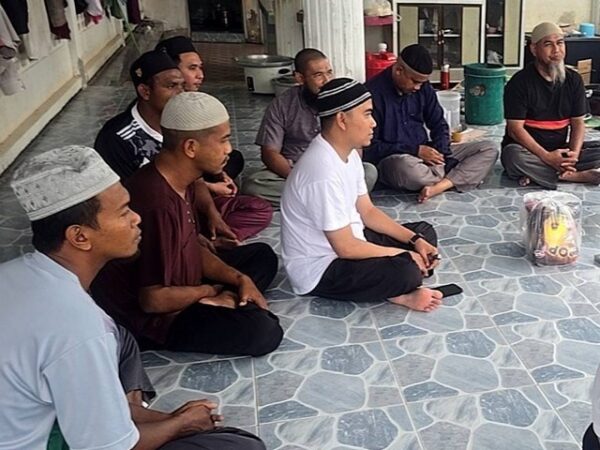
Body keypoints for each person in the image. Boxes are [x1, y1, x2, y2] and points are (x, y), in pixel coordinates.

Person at [0, 145, 266, 450]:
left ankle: (124, 412)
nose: (137, 218)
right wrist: (180, 425)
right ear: (80, 236)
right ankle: (123, 418)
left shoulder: (13, 272)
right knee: (240, 446)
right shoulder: (79, 326)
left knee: (121, 337)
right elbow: (107, 448)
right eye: (124, 211)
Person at [91, 92, 283, 356]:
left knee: (262, 257)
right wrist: (210, 290)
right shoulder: (156, 201)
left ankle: (225, 300)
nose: (229, 149)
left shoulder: (185, 178)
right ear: (191, 147)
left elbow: (192, 246)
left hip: (184, 283)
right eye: (223, 140)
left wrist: (240, 279)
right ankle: (219, 301)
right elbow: (152, 300)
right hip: (157, 317)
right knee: (263, 331)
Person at [281, 78, 444, 312]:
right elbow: (346, 248)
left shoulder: (349, 154)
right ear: (342, 120)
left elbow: (367, 211)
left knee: (424, 232)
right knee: (405, 269)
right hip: (322, 267)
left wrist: (415, 241)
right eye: (367, 114)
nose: (374, 123)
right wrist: (405, 255)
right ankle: (398, 293)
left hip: (353, 240)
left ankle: (400, 281)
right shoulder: (321, 171)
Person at [95, 49, 272, 243]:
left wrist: (212, 213)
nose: (180, 94)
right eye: (171, 86)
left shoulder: (180, 118)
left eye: (182, 85)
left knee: (256, 205)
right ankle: (200, 246)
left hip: (188, 201)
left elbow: (193, 173)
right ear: (145, 91)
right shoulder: (116, 138)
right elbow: (133, 202)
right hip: (154, 221)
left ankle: (213, 240)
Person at [242, 48, 379, 207]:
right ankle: (330, 199)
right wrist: (297, 178)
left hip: (334, 169)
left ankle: (308, 199)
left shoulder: (342, 100)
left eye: (329, 73)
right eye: (318, 75)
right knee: (253, 186)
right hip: (294, 170)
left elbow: (355, 147)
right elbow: (269, 152)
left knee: (369, 172)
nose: (327, 80)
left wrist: (340, 171)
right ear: (300, 78)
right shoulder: (282, 104)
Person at [365, 44, 498, 202]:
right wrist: (415, 150)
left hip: (428, 155)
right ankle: (457, 176)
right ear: (399, 70)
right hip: (398, 159)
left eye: (422, 83)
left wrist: (442, 153)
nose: (418, 87)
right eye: (415, 81)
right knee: (405, 169)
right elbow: (369, 148)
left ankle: (439, 185)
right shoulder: (372, 94)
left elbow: (438, 124)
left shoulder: (423, 88)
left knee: (489, 148)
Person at [502, 21, 600, 188]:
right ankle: (570, 176)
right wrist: (547, 157)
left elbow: (578, 124)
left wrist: (573, 156)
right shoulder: (519, 83)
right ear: (534, 49)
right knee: (513, 157)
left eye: (560, 43)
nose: (556, 50)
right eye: (548, 44)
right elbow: (515, 129)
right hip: (528, 150)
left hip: (561, 149)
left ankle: (547, 173)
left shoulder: (574, 80)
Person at [155, 35, 246, 193]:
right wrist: (208, 186)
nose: (200, 75)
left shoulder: (191, 102)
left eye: (200, 67)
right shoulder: (159, 109)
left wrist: (219, 172)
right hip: (171, 174)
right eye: (192, 68)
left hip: (193, 161)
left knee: (233, 158)